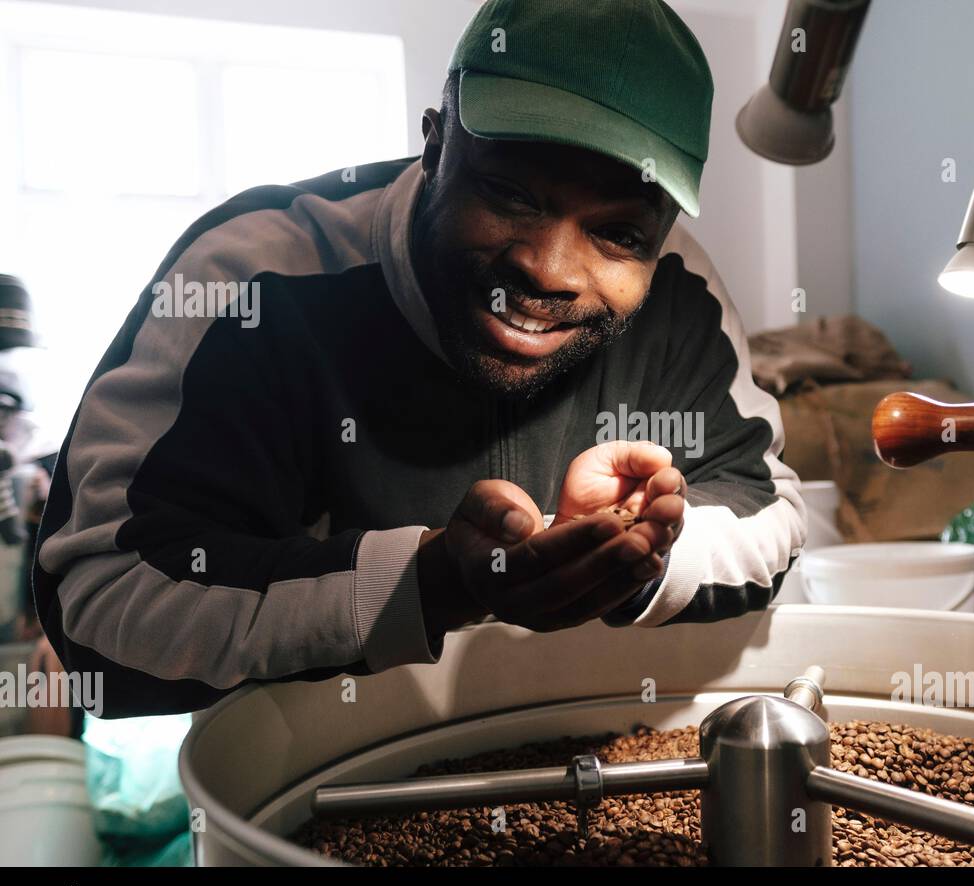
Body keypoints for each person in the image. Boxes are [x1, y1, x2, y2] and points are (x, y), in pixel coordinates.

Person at [33, 0, 806, 718]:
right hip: (313, 770)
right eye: (512, 194)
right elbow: (99, 599)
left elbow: (764, 501)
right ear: (434, 144)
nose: (550, 270)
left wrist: (640, 549)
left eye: (618, 234)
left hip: (568, 744)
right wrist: (427, 584)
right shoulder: (254, 279)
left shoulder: (678, 289)